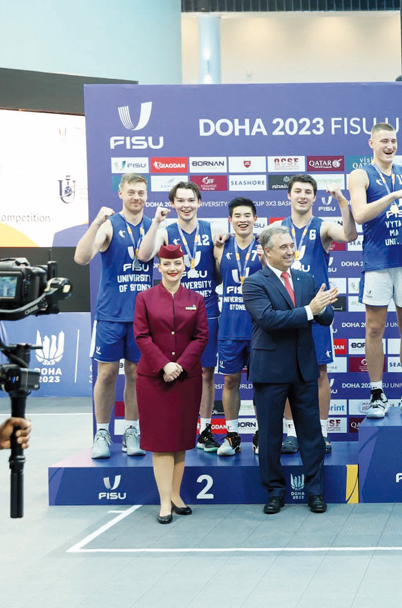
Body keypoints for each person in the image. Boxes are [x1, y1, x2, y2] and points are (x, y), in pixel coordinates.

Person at [243, 225, 336, 515]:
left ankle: (316, 493)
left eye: (291, 245)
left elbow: (326, 318)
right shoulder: (254, 283)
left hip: (303, 367)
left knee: (311, 435)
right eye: (282, 247)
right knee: (270, 437)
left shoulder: (305, 278)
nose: (289, 251)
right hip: (269, 369)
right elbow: (270, 320)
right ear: (267, 250)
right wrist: (310, 309)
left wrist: (322, 306)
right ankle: (274, 492)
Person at [138, 181, 224, 453]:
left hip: (206, 309)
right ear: (173, 203)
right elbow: (143, 256)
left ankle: (205, 429)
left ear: (200, 202)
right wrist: (154, 223)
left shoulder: (214, 230)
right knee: (171, 369)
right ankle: (177, 428)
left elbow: (221, 273)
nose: (186, 205)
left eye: (191, 200)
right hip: (172, 311)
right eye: (181, 200)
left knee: (206, 374)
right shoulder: (165, 230)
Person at [348, 123, 402, 419]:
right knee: (374, 329)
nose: (389, 146)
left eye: (393, 141)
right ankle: (377, 392)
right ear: (371, 143)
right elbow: (359, 214)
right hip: (378, 262)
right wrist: (393, 197)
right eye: (383, 141)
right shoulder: (360, 174)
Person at [74, 172, 152, 459]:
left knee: (135, 374)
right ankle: (103, 433)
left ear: (147, 195)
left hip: (142, 317)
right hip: (110, 315)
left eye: (141, 192)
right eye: (131, 192)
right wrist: (96, 221)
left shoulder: (154, 226)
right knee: (106, 374)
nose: (136, 197)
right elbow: (81, 258)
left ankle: (132, 431)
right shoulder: (109, 225)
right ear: (121, 193)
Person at [278, 174, 357, 452]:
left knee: (320, 372)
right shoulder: (277, 229)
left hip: (317, 310)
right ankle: (291, 434)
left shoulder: (322, 227)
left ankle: (322, 433)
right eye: (297, 191)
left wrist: (341, 201)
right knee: (286, 372)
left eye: (307, 192)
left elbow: (349, 235)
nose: (302, 195)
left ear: (314, 197)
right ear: (288, 196)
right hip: (286, 311)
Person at [133, 243, 209, 524]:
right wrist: (164, 364)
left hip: (186, 379)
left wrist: (180, 366)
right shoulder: (145, 298)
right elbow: (142, 336)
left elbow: (201, 337)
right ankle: (164, 501)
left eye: (177, 263)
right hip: (154, 379)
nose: (172, 268)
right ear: (159, 267)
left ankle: (176, 495)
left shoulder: (196, 299)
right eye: (167, 264)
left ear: (184, 265)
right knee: (162, 443)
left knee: (179, 441)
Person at [213, 197, 264, 456]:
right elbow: (216, 277)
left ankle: (261, 434)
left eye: (247, 215)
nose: (242, 220)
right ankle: (232, 435)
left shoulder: (264, 246)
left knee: (262, 384)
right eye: (237, 216)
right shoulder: (221, 246)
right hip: (230, 327)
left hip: (259, 328)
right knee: (230, 381)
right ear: (230, 220)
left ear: (255, 219)